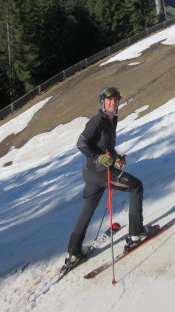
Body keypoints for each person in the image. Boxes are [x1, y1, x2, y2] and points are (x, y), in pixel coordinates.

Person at [64, 86, 155, 268]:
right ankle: (136, 234)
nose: (113, 102)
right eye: (109, 100)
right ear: (102, 103)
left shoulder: (110, 120)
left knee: (88, 209)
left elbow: (104, 146)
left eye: (116, 99)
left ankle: (73, 253)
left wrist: (116, 157)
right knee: (136, 186)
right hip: (99, 172)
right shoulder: (98, 120)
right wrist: (99, 158)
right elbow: (82, 144)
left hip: (92, 173)